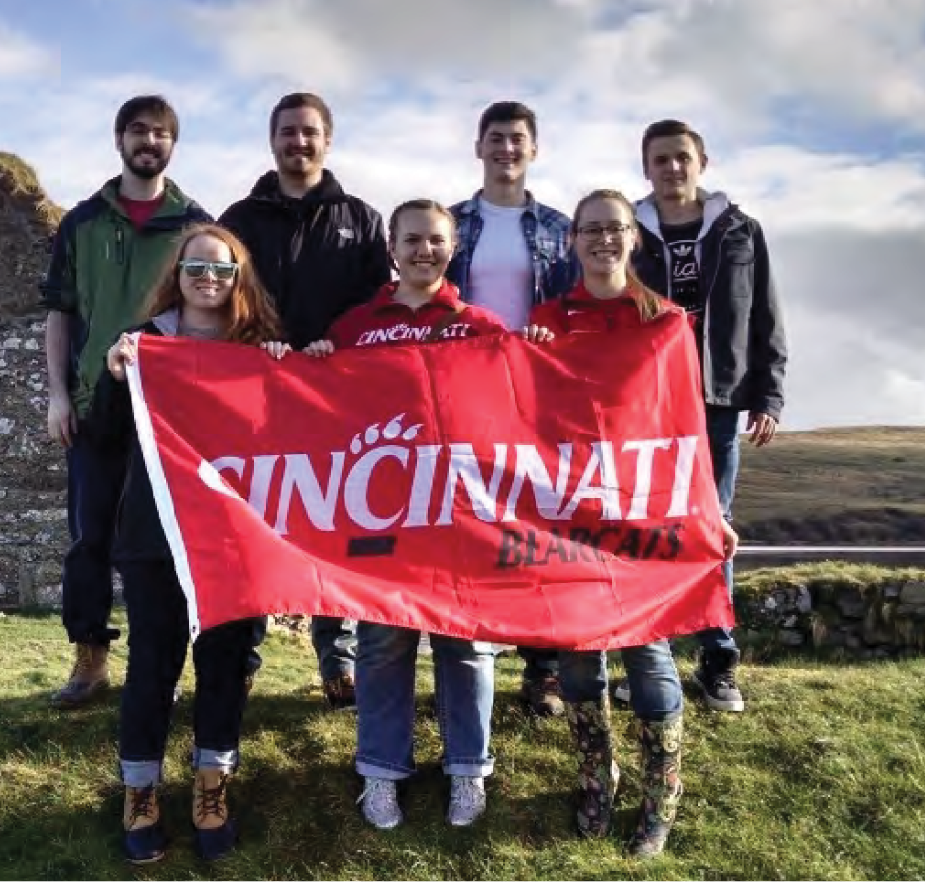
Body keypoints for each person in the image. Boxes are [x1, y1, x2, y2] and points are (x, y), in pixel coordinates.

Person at [524, 189, 739, 859]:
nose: (603, 239)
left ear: (633, 238)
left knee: (648, 651)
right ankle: (597, 775)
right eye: (590, 229)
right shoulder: (546, 319)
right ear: (572, 241)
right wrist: (521, 355)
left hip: (644, 512)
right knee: (579, 651)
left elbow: (686, 426)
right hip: (569, 512)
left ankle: (660, 794)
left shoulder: (667, 322)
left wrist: (710, 511)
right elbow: (523, 419)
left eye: (615, 227)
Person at [303, 199, 505, 831]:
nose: (425, 251)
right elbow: (315, 407)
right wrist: (307, 361)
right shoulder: (356, 326)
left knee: (466, 646)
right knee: (383, 644)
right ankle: (382, 772)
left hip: (460, 520)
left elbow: (519, 411)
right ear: (391, 246)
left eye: (436, 240)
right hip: (381, 519)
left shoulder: (481, 326)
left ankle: (468, 768)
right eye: (412, 240)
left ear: (453, 248)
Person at [97, 223, 291, 864]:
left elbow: (295, 432)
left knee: (226, 663)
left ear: (241, 277)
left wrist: (300, 370)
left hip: (235, 537)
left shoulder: (260, 348)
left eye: (223, 268)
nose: (209, 277)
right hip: (156, 535)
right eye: (196, 266)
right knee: (153, 664)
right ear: (176, 273)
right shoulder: (143, 344)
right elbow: (104, 434)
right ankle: (140, 793)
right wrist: (113, 377)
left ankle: (212, 784)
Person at [219, 92, 392, 712]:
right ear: (272, 140)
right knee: (254, 528)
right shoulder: (239, 218)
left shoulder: (364, 220)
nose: (299, 142)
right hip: (257, 401)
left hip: (335, 406)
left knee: (334, 529)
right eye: (288, 132)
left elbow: (380, 310)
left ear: (328, 139)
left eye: (310, 132)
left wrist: (336, 346)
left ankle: (337, 660)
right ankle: (241, 658)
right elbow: (216, 297)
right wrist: (253, 344)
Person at [39, 94, 213, 708]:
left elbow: (214, 314)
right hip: (93, 407)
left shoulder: (196, 224)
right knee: (89, 537)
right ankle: (90, 661)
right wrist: (59, 396)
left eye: (161, 133)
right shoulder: (82, 223)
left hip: (167, 416)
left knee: (167, 542)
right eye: (138, 131)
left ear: (173, 143)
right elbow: (60, 313)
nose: (149, 141)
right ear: (119, 139)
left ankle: (161, 659)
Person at [627, 119, 788, 714]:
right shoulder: (629, 232)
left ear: (703, 162)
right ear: (646, 168)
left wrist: (768, 396)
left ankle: (718, 665)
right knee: (647, 529)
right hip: (647, 404)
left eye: (682, 158)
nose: (672, 169)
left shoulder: (740, 230)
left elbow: (766, 316)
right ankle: (652, 663)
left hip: (718, 401)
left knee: (710, 528)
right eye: (660, 160)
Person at [444, 99, 577, 719]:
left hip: (538, 394)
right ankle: (474, 645)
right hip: (469, 392)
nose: (506, 149)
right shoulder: (451, 222)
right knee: (473, 520)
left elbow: (576, 306)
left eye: (517, 139)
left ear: (533, 148)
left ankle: (542, 667)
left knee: (538, 526)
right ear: (478, 147)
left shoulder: (559, 227)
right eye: (495, 138)